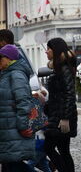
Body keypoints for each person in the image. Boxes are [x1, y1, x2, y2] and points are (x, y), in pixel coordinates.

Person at [44, 37, 78, 172]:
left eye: (49, 49)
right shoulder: (59, 66)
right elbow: (58, 94)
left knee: (49, 148)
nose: (46, 52)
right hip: (57, 114)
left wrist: (65, 118)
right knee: (64, 151)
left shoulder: (63, 68)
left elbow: (69, 94)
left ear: (55, 50)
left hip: (61, 117)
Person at [0, 44, 35, 172]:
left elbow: (23, 101)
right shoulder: (6, 73)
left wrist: (23, 126)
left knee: (15, 165)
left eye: (0, 58)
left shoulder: (16, 74)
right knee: (9, 165)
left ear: (9, 59)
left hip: (15, 128)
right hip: (8, 129)